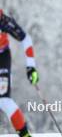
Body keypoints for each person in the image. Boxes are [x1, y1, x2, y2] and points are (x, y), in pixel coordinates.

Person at [0, 9, 39, 137]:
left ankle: (25, 135)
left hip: (2, 57)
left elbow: (25, 39)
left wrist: (30, 66)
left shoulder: (3, 21)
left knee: (3, 100)